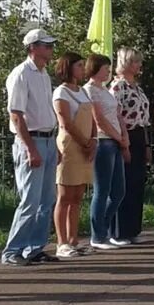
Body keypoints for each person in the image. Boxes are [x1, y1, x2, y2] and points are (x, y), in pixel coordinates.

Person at [2, 29, 59, 266]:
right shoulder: (21, 74)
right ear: (32, 47)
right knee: (30, 200)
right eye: (45, 46)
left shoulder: (44, 74)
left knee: (47, 199)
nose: (50, 50)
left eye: (50, 46)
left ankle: (35, 247)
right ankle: (12, 250)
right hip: (32, 140)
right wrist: (29, 148)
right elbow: (16, 114)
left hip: (48, 138)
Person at [52, 52, 95, 259]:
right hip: (70, 146)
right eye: (79, 65)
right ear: (68, 67)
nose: (82, 69)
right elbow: (66, 122)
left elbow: (92, 118)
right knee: (65, 195)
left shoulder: (82, 91)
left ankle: (73, 239)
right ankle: (61, 242)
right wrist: (84, 142)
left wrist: (93, 139)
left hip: (86, 145)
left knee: (78, 195)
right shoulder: (61, 92)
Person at [86, 54, 129, 250]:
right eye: (104, 68)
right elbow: (99, 119)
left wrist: (123, 137)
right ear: (95, 69)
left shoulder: (105, 90)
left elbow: (117, 114)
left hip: (116, 141)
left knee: (118, 190)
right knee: (102, 190)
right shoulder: (89, 91)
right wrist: (117, 137)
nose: (108, 72)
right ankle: (97, 235)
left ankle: (106, 227)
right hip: (104, 141)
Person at [112, 47, 151, 244]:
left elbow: (144, 118)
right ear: (126, 63)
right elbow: (116, 115)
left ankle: (132, 229)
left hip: (139, 135)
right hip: (124, 135)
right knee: (124, 183)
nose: (139, 65)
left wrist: (146, 145)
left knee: (137, 183)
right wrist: (124, 142)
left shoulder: (137, 87)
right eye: (135, 62)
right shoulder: (118, 87)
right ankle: (119, 231)